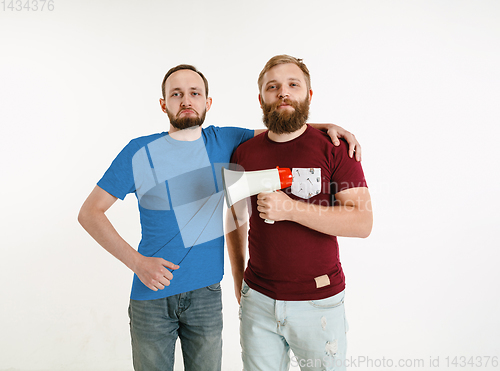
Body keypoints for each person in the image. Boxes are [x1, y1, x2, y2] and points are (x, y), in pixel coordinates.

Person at [78, 63, 362, 371]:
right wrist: (137, 263)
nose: (186, 100)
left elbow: (284, 127)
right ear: (163, 104)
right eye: (176, 94)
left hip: (206, 297)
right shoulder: (138, 151)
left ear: (207, 103)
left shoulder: (226, 141)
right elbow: (90, 213)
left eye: (195, 93)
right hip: (152, 295)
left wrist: (330, 126)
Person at [226, 55, 373, 371]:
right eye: (273, 86)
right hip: (258, 302)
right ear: (261, 98)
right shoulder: (243, 152)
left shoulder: (334, 147)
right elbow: (235, 218)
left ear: (308, 94)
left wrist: (290, 209)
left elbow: (362, 222)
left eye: (293, 85)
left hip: (319, 303)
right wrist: (240, 280)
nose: (283, 92)